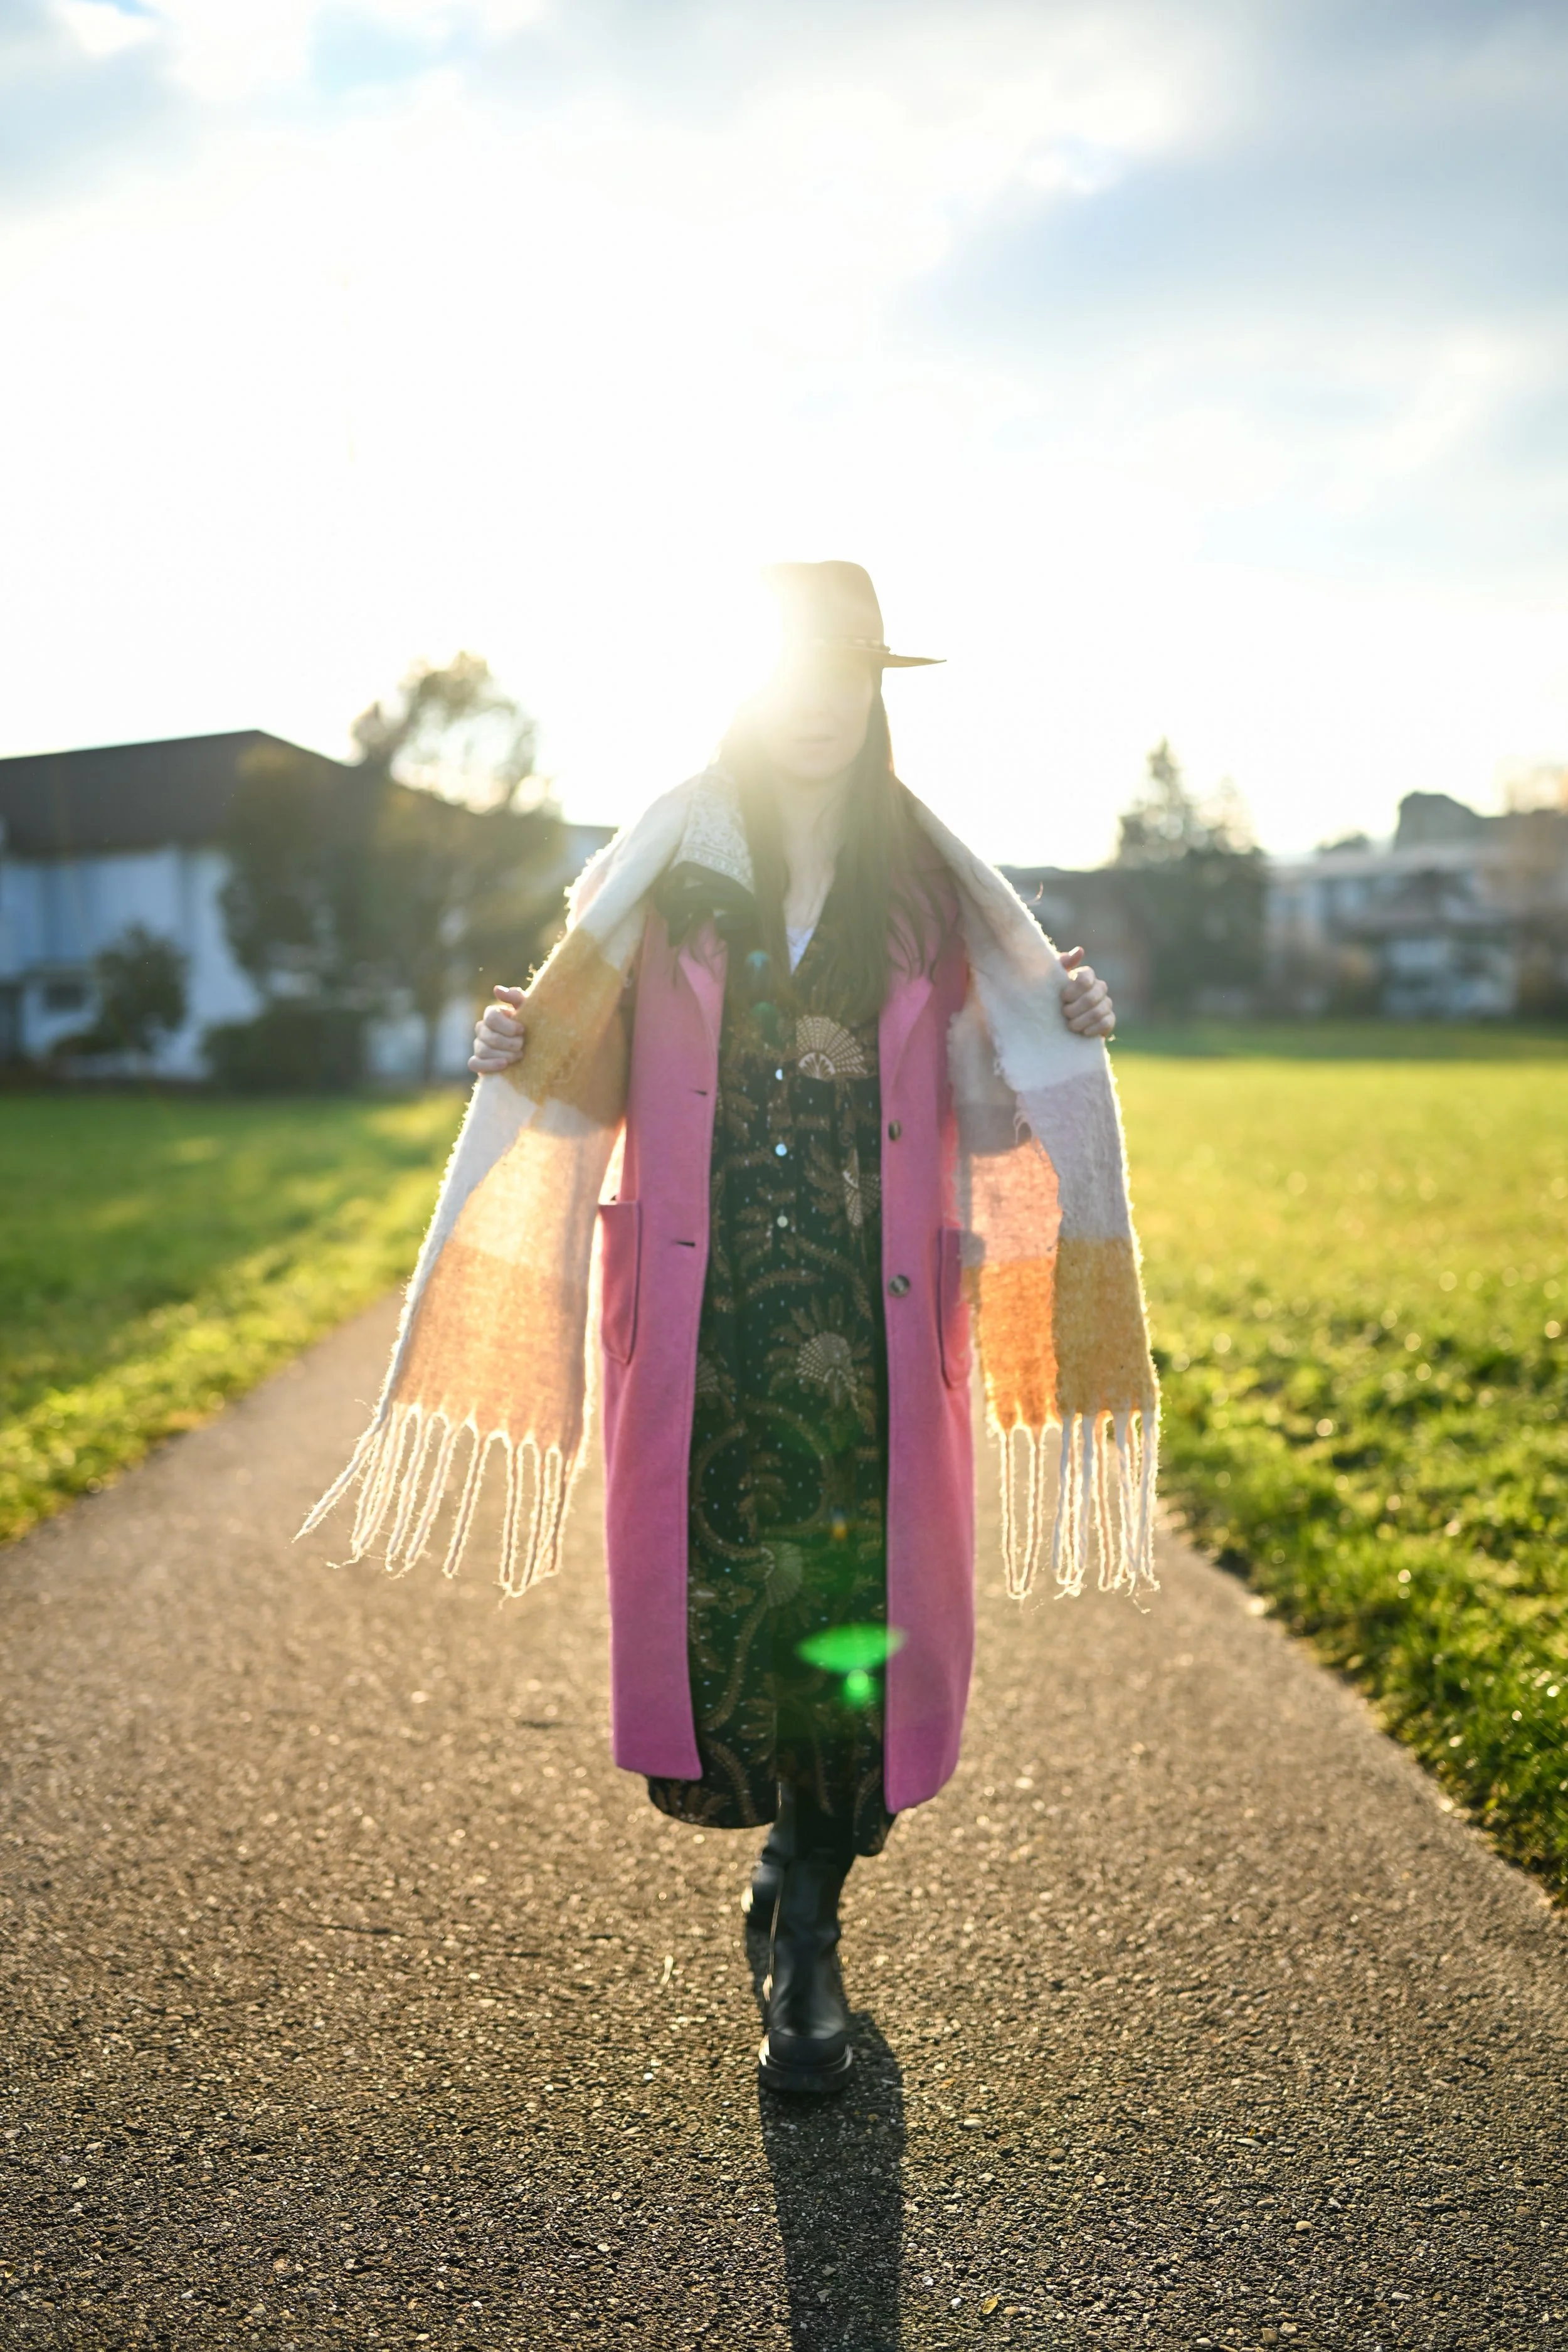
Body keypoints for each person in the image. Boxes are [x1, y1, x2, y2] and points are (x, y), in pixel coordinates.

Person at [306, 561, 1156, 2099]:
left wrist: (1054, 1036)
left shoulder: (933, 897)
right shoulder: (668, 873)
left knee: (856, 1634)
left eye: (847, 671)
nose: (820, 702)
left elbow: (978, 1107)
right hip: (708, 1324)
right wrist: (519, 1041)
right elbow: (585, 1070)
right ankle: (788, 1866)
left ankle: (810, 1923)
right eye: (796, 671)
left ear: (873, 688)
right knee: (735, 1619)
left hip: (874, 1320)